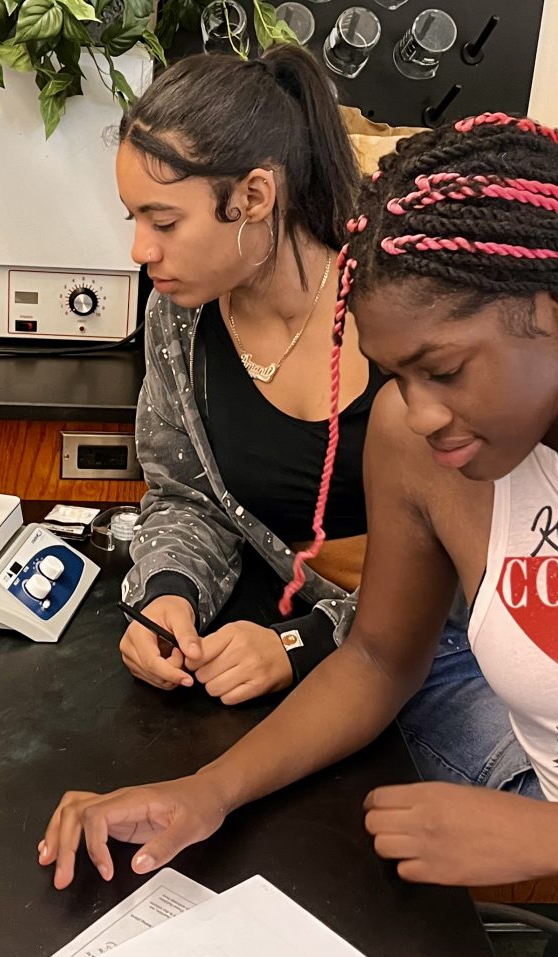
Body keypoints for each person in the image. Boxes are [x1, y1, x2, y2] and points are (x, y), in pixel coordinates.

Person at [40, 112, 558, 957]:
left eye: (446, 370)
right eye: (397, 377)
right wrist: (204, 794)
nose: (419, 413)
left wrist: (541, 831)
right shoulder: (423, 449)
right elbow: (381, 659)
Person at [116, 45, 534, 794]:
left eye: (163, 220)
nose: (140, 249)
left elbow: (477, 551)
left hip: (461, 646)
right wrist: (168, 593)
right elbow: (185, 497)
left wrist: (302, 642)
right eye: (134, 218)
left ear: (252, 196)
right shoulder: (177, 322)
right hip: (337, 656)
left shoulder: (400, 307)